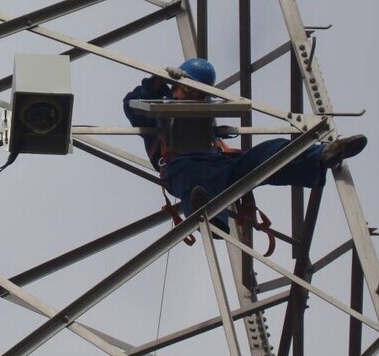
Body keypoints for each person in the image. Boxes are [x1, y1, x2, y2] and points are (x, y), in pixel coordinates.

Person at [123, 57, 366, 229]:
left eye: (200, 94)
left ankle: (320, 156)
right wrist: (155, 82)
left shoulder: (205, 113)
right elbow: (131, 103)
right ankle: (206, 212)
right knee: (194, 178)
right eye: (190, 91)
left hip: (220, 164)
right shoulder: (156, 108)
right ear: (178, 86)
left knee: (270, 153)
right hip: (181, 166)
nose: (196, 98)